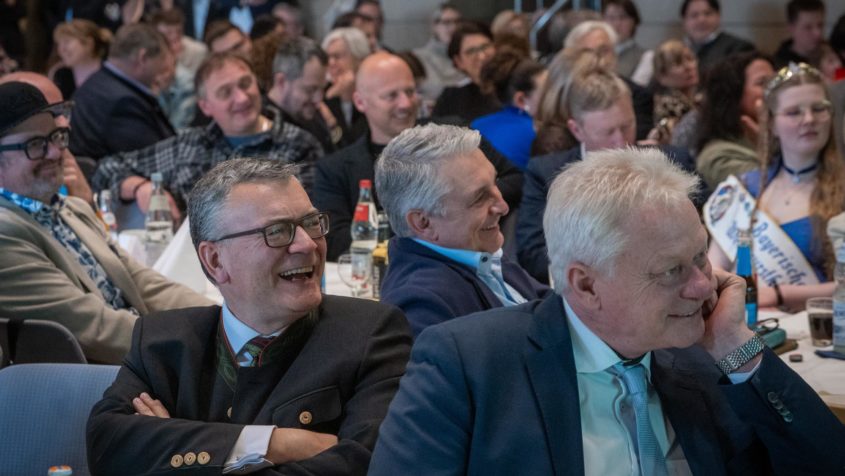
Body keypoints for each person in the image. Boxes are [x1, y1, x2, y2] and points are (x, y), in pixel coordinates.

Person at [369, 147, 845, 475]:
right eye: (671, 271)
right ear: (586, 284)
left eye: (700, 257)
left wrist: (738, 348)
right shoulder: (469, 364)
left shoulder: (704, 359)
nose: (704, 286)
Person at [86, 157, 412, 475]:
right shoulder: (162, 341)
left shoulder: (370, 334)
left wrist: (176, 447)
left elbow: (365, 463)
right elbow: (107, 448)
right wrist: (275, 443)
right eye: (278, 231)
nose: (307, 244)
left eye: (312, 223)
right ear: (215, 261)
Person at [0, 81, 211, 364]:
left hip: (141, 354)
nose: (55, 152)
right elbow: (94, 328)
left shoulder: (71, 208)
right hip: (101, 377)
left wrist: (221, 318)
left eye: (56, 137)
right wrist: (199, 340)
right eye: (35, 145)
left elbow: (141, 282)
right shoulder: (5, 233)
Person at [314, 52, 523, 261]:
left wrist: (471, 200)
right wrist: (425, 224)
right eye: (391, 96)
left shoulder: (455, 137)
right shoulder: (335, 169)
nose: (405, 103)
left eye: (410, 91)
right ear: (360, 102)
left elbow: (515, 178)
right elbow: (335, 240)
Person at [518, 56, 694, 283]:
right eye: (607, 132)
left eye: (627, 126)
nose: (620, 142)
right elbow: (532, 255)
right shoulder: (546, 173)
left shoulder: (672, 161)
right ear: (577, 129)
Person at [92, 52, 323, 220]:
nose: (242, 98)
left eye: (246, 84)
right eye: (225, 92)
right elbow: (106, 169)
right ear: (205, 106)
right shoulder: (188, 145)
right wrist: (141, 187)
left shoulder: (298, 145)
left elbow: (309, 222)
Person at [377, 124, 549, 337]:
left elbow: (555, 309)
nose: (503, 207)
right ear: (423, 223)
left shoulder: (475, 254)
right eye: (480, 198)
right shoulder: (423, 305)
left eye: (496, 183)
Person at [706, 62, 844, 310]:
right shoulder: (744, 188)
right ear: (771, 123)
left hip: (819, 328)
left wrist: (781, 294)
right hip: (746, 326)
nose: (809, 119)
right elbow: (714, 271)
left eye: (819, 108)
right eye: (793, 112)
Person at [69, 23, 176, 160]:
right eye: (162, 60)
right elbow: (156, 160)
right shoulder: (123, 103)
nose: (163, 70)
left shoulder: (95, 84)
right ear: (142, 58)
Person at [561, 20, 654, 141]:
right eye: (587, 52)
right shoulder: (563, 96)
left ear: (615, 53)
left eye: (603, 50)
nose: (596, 58)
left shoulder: (639, 96)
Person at [696, 52, 775, 189]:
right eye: (763, 83)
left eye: (776, 81)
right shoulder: (718, 157)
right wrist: (774, 148)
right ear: (733, 96)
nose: (776, 89)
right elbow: (773, 187)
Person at [471, 50, 546, 170]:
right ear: (521, 100)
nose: (555, 96)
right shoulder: (538, 134)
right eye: (547, 91)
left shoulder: (476, 125)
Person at [152, 7, 209, 131]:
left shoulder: (199, 51)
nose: (174, 37)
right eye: (168, 33)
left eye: (178, 32)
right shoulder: (151, 55)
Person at [432, 22, 500, 123]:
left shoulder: (514, 86)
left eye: (485, 46)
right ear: (458, 61)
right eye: (471, 51)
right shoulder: (451, 99)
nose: (481, 56)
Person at [321, 27, 372, 146]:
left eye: (337, 56)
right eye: (328, 58)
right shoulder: (322, 93)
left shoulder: (372, 92)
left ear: (359, 59)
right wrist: (330, 97)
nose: (331, 63)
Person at [681, 0, 755, 75]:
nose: (701, 20)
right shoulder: (678, 49)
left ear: (718, 16)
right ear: (684, 20)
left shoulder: (740, 48)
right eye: (694, 15)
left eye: (707, 13)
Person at [413, 3, 466, 104]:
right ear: (434, 26)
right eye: (447, 22)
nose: (453, 27)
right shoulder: (418, 57)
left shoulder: (467, 55)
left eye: (457, 22)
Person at [651, 39, 699, 144]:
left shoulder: (700, 99)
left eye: (690, 59)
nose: (688, 67)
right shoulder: (667, 106)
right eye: (678, 63)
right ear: (662, 75)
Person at [50, 19, 111, 99]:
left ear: (89, 43)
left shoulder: (109, 74)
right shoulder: (61, 75)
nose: (61, 49)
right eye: (59, 44)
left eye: (67, 42)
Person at [602, 0, 652, 86]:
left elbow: (636, 89)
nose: (617, 24)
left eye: (623, 18)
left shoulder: (646, 56)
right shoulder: (596, 53)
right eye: (611, 18)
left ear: (634, 22)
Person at [774, 0, 826, 69]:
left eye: (820, 25)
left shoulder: (832, 54)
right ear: (791, 28)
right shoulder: (779, 66)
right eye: (808, 27)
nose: (817, 33)